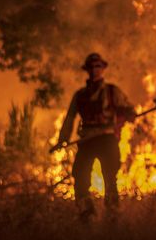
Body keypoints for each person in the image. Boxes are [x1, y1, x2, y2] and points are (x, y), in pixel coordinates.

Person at [57, 53, 136, 221]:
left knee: (110, 176)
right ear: (87, 70)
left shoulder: (112, 91)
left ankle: (113, 213)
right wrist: (62, 139)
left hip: (107, 139)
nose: (94, 70)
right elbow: (70, 118)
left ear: (103, 69)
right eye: (91, 67)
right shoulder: (80, 95)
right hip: (87, 140)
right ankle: (87, 213)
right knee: (80, 174)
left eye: (98, 67)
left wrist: (129, 114)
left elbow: (129, 109)